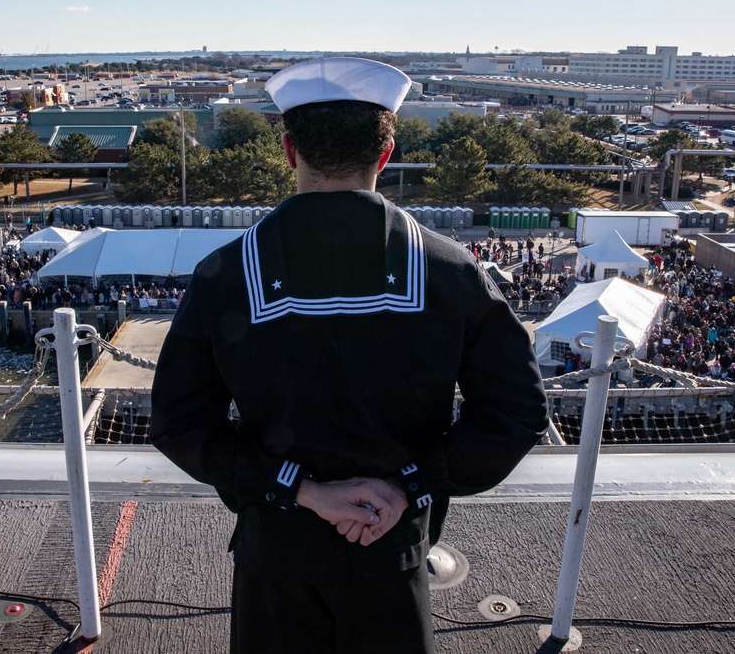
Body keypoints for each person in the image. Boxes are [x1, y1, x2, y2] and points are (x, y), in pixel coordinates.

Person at [149, 57, 549, 654]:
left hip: (276, 553)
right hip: (393, 547)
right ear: (384, 156)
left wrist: (303, 490)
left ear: (289, 151)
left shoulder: (225, 274)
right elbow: (518, 412)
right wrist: (410, 483)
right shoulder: (450, 271)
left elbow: (180, 423)